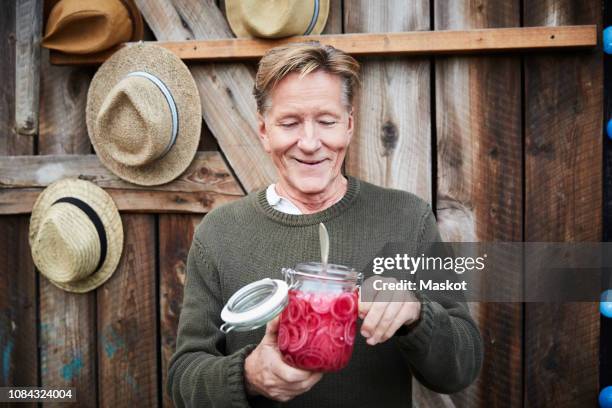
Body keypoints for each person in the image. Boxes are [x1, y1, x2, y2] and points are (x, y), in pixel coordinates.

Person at [167, 41, 483, 407]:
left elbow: (462, 367)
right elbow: (183, 380)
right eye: (289, 123)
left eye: (327, 121)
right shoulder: (220, 233)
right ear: (264, 131)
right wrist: (248, 376)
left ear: (348, 125)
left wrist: (417, 313)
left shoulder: (407, 219)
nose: (310, 143)